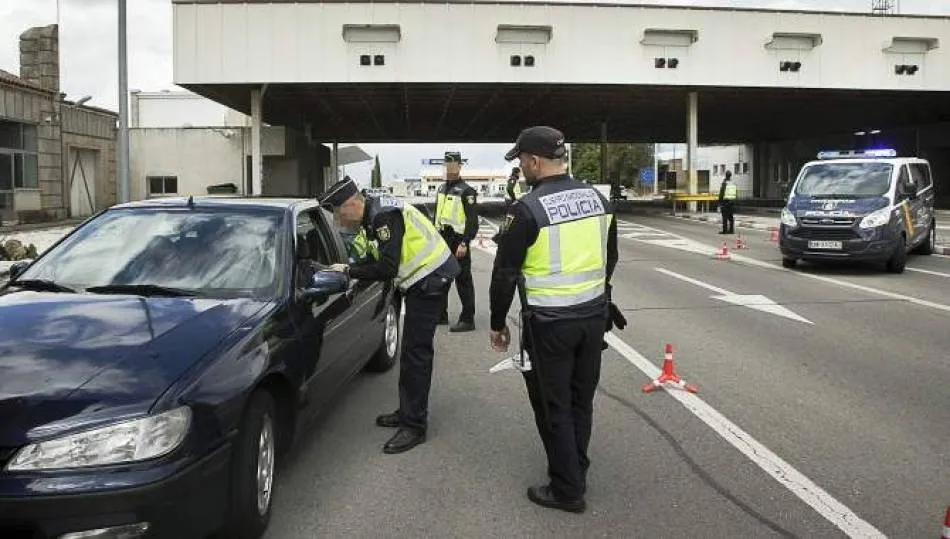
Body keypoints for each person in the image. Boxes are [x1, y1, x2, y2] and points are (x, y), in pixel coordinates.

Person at [489, 126, 618, 513]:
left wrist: (497, 323)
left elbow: (505, 273)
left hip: (550, 324)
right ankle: (576, 466)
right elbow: (610, 257)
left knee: (553, 405)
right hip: (593, 317)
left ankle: (567, 489)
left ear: (534, 161)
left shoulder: (526, 209)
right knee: (582, 400)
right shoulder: (598, 199)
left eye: (523, 161)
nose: (523, 168)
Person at [319, 178, 459, 454]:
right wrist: (351, 266)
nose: (339, 220)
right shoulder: (374, 213)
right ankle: (408, 412)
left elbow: (387, 266)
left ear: (352, 203)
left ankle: (414, 426)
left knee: (416, 354)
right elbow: (380, 258)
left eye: (339, 213)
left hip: (430, 279)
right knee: (410, 353)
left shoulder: (382, 216)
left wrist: (348, 272)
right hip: (423, 278)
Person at [433, 151, 479, 332]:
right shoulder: (441, 189)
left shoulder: (467, 191)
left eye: (453, 165)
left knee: (463, 281)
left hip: (458, 240)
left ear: (459, 166)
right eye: (446, 165)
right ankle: (441, 315)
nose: (449, 168)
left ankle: (468, 319)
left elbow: (472, 221)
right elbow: (437, 216)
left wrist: (465, 243)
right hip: (442, 239)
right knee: (442, 279)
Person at [718, 170, 737, 234]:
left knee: (725, 217)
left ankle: (725, 230)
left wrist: (720, 202)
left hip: (725, 202)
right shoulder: (733, 183)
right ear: (730, 175)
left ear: (726, 175)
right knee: (731, 217)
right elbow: (736, 192)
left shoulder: (724, 183)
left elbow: (721, 193)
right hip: (732, 202)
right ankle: (731, 230)